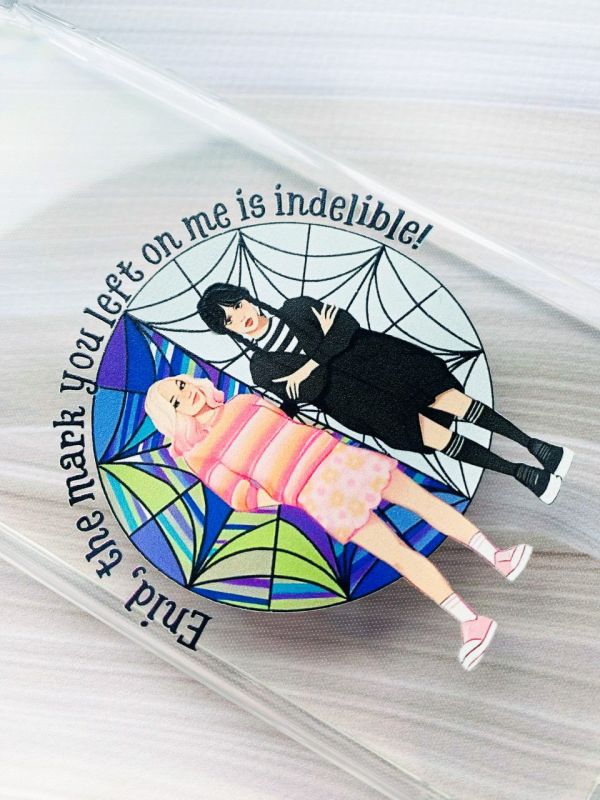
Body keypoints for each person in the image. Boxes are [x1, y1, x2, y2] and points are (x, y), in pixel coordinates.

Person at [145, 374, 534, 671]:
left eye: (180, 385)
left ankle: (497, 556)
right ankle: (470, 621)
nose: (186, 394)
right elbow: (237, 495)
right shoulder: (199, 454)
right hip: (315, 494)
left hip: (336, 459)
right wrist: (286, 490)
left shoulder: (245, 401)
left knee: (422, 502)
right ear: (173, 416)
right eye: (175, 401)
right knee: (395, 553)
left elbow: (288, 423)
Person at [197, 283, 573, 504]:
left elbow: (346, 327)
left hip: (378, 359)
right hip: (356, 402)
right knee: (437, 437)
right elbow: (310, 391)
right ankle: (521, 473)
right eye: (230, 319)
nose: (241, 316)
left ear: (247, 298)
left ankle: (536, 446)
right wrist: (325, 350)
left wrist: (311, 364)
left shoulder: (296, 308)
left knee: (456, 403)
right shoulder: (261, 368)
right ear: (227, 330)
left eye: (238, 305)